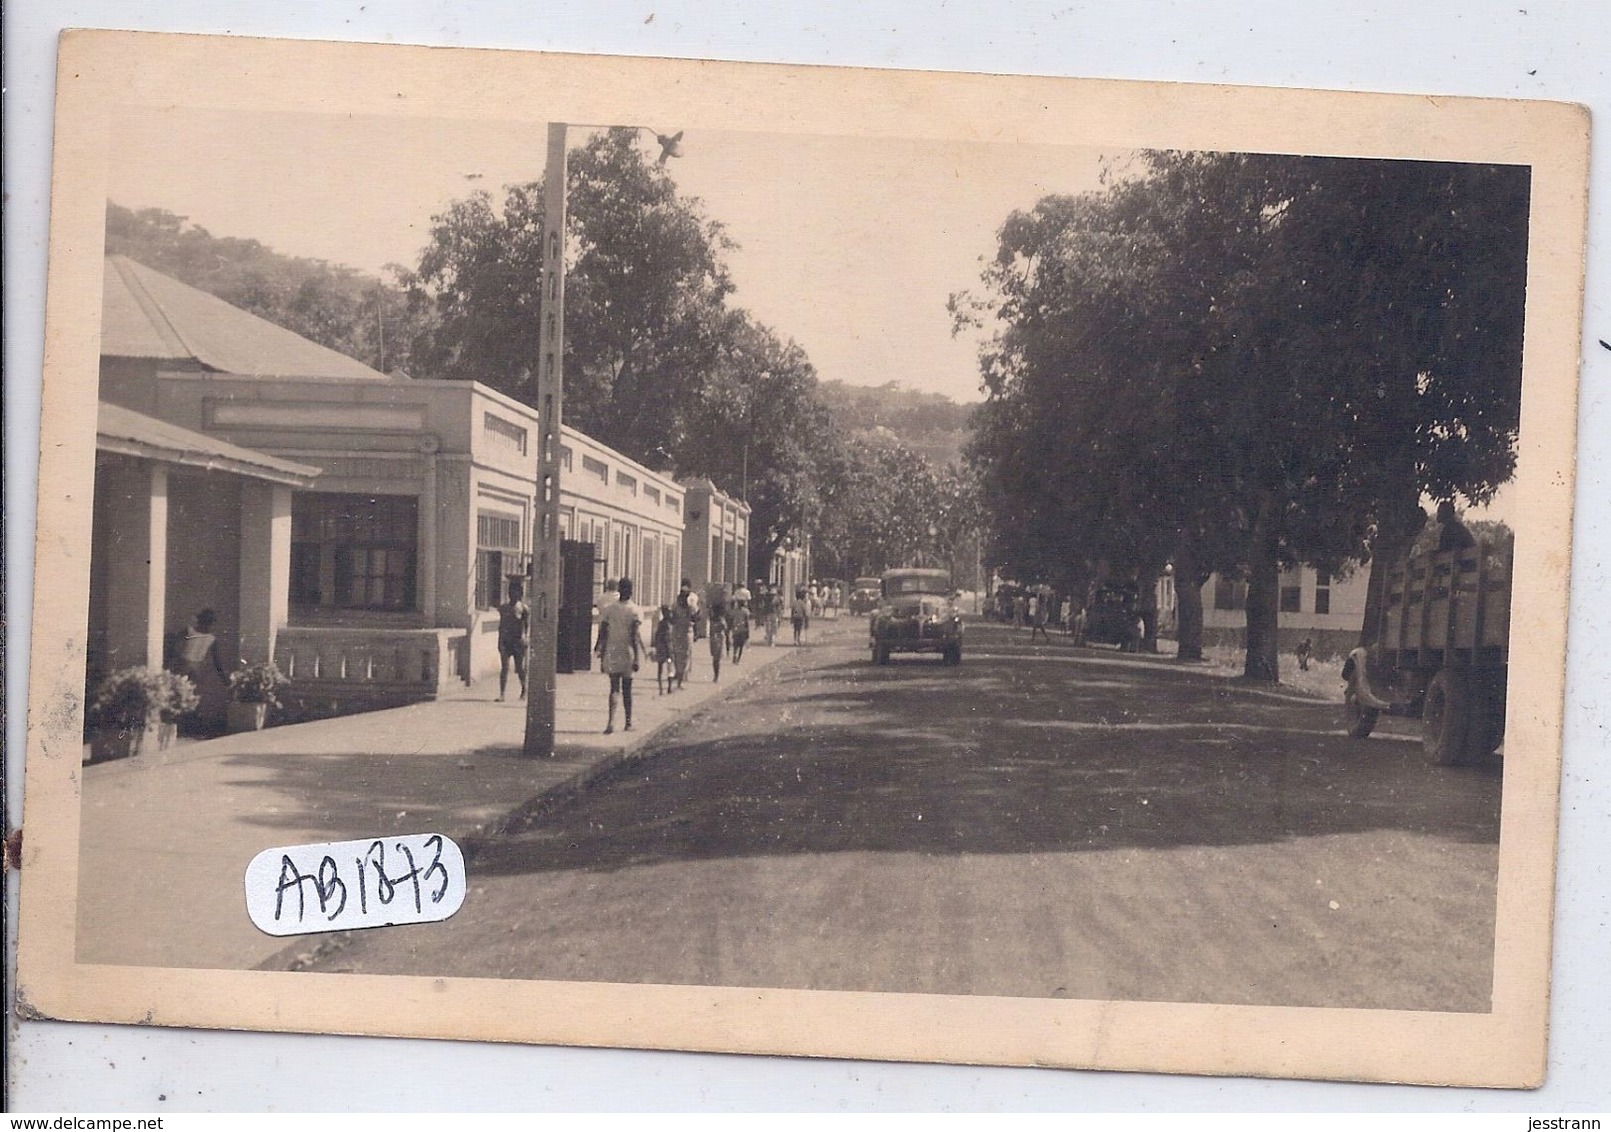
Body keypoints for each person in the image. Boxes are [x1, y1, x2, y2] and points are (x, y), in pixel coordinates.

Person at [594, 578, 644, 734]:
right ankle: (628, 723)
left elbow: (603, 632)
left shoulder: (610, 609)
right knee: (627, 689)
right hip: (627, 651)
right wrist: (637, 657)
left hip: (612, 650)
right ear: (631, 591)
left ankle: (611, 722)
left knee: (614, 687)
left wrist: (601, 654)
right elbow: (634, 636)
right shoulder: (635, 610)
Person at [171, 608, 228, 733]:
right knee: (180, 692)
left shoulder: (211, 639)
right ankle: (178, 721)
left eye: (210, 623)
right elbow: (175, 643)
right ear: (201, 622)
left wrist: (224, 678)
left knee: (193, 695)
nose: (209, 626)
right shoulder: (189, 631)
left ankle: (189, 723)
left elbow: (217, 661)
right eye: (207, 622)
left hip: (196, 666)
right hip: (184, 664)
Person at [495, 580, 530, 702]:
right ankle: (502, 694)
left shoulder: (523, 608)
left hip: (518, 641)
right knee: (504, 667)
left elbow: (526, 626)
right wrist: (499, 641)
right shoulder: (503, 608)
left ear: (520, 593)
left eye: (515, 592)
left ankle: (524, 689)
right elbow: (501, 626)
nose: (512, 594)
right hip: (506, 640)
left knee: (519, 668)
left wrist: (525, 639)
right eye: (510, 592)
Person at [670, 580, 696, 690]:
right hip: (682, 632)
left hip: (683, 632)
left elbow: (695, 618)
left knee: (681, 655)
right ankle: (680, 676)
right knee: (680, 655)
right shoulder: (677, 605)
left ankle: (680, 676)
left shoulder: (689, 606)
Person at [650, 604, 674, 694]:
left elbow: (657, 636)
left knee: (662, 668)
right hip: (667, 648)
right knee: (669, 667)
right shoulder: (668, 624)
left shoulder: (662, 623)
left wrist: (656, 645)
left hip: (662, 648)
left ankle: (662, 688)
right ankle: (668, 687)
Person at [707, 597, 730, 682]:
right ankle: (716, 675)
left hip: (713, 639)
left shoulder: (712, 620)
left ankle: (716, 675)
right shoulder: (721, 621)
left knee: (715, 659)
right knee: (717, 659)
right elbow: (726, 631)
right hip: (719, 639)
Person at [730, 597, 752, 664]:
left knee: (735, 644)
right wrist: (748, 631)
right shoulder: (746, 611)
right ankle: (738, 659)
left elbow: (731, 619)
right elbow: (747, 621)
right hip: (743, 629)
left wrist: (731, 627)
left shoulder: (734, 611)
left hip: (735, 629)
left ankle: (734, 655)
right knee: (741, 645)